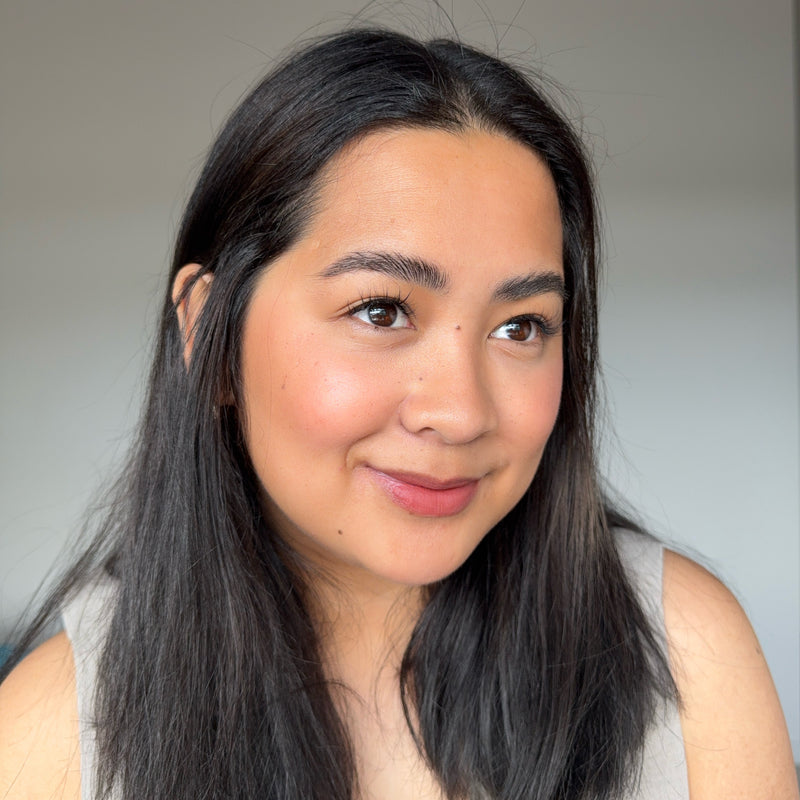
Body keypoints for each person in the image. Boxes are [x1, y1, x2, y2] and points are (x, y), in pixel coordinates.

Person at [0, 27, 796, 800]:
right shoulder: (51, 739)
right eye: (381, 311)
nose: (458, 412)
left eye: (521, 327)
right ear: (209, 332)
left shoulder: (681, 651)